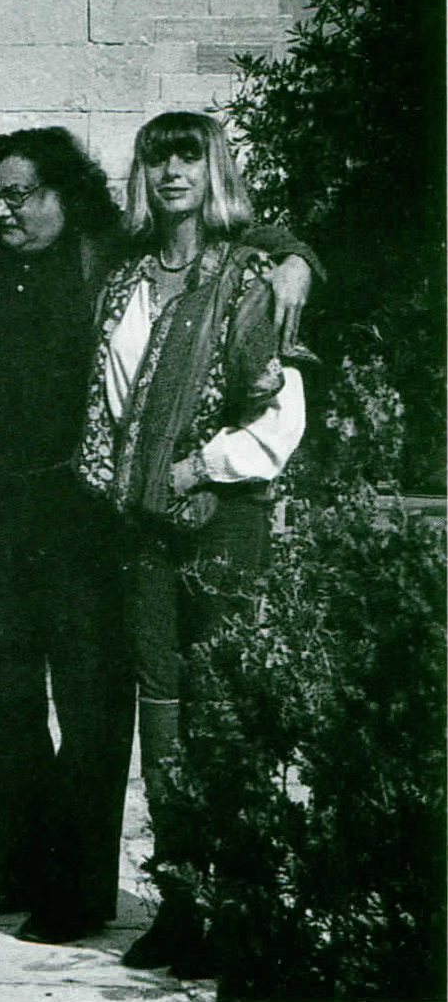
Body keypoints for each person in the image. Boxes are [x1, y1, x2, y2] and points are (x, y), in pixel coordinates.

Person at [0, 126, 314, 946]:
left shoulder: (108, 251)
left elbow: (233, 230)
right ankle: (19, 864)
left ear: (65, 192)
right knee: (5, 702)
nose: (6, 210)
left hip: (86, 516)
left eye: (23, 193)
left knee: (91, 705)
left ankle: (79, 889)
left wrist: (298, 258)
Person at [78, 112, 311, 975]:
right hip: (140, 522)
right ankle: (181, 904)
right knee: (164, 711)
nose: (172, 171)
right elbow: (111, 402)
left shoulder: (253, 275)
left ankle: (236, 907)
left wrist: (203, 465)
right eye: (157, 157)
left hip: (223, 519)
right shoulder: (125, 280)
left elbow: (281, 416)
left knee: (226, 708)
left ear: (214, 169)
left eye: (188, 156)